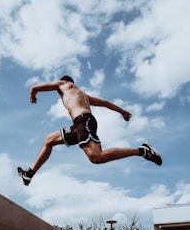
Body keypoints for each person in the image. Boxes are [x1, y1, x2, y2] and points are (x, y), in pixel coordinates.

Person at [17, 75, 162, 186]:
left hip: (83, 121)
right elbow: (105, 103)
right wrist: (122, 112)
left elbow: (35, 88)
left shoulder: (65, 84)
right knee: (49, 140)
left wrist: (32, 95)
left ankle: (142, 150)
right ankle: (29, 174)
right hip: (78, 124)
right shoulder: (84, 96)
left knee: (96, 157)